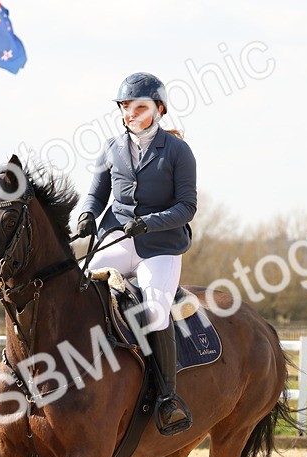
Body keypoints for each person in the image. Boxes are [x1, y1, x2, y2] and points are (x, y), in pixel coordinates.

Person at [76, 72, 197, 436]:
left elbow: (187, 206)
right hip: (117, 239)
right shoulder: (112, 148)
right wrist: (85, 216)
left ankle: (167, 397)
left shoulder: (177, 151)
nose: (130, 113)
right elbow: (97, 195)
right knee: (79, 289)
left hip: (159, 246)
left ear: (159, 109)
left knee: (156, 309)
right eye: (126, 106)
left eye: (139, 106)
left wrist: (150, 222)